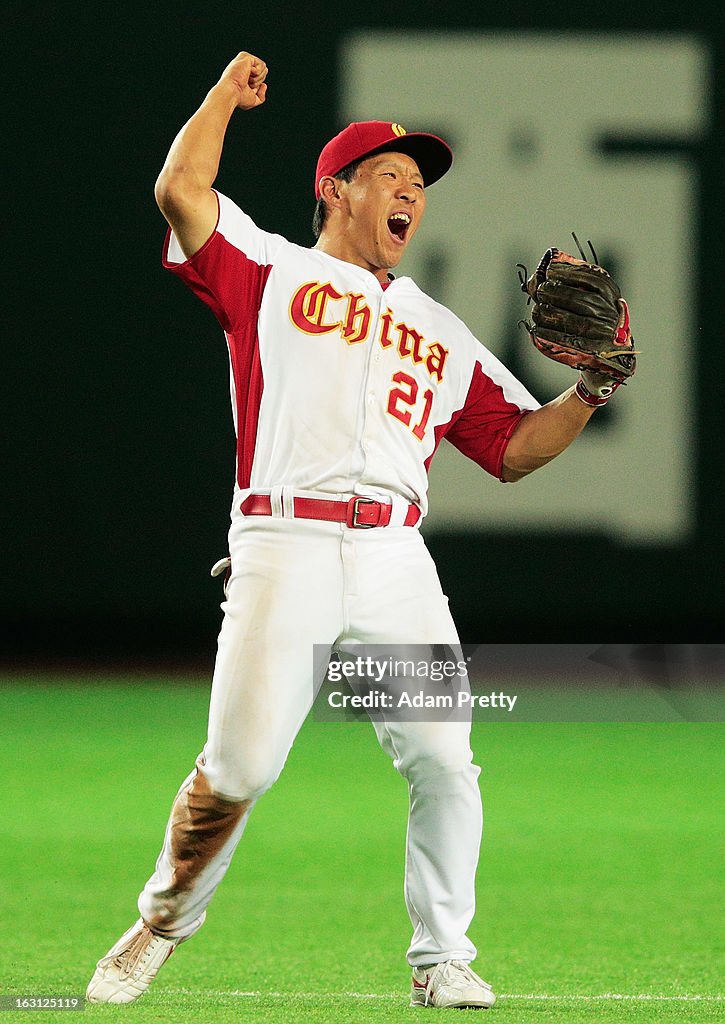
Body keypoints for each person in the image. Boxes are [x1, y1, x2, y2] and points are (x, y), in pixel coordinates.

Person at [86, 51, 610, 1009]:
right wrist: (221, 99)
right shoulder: (268, 269)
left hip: (391, 559)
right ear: (337, 191)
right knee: (241, 766)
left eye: (419, 185)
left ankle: (441, 954)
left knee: (446, 756)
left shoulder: (439, 328)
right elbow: (180, 187)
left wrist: (590, 390)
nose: (411, 194)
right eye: (391, 178)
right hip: (282, 548)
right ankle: (161, 921)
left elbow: (513, 448)